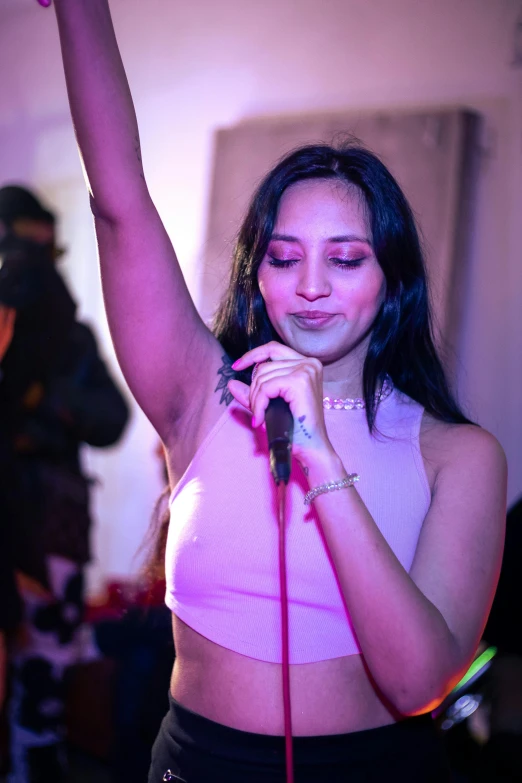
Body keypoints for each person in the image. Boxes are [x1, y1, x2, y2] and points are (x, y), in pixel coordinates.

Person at [36, 1, 507, 781]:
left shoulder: (459, 455)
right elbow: (118, 200)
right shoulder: (201, 397)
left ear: (392, 280)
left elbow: (420, 681)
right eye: (285, 257)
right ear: (259, 275)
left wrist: (320, 455)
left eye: (347, 258)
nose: (312, 287)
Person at [0, 183, 129, 783]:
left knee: (43, 684)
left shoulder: (67, 337)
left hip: (49, 525)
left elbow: (111, 419)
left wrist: (44, 400)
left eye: (37, 256)